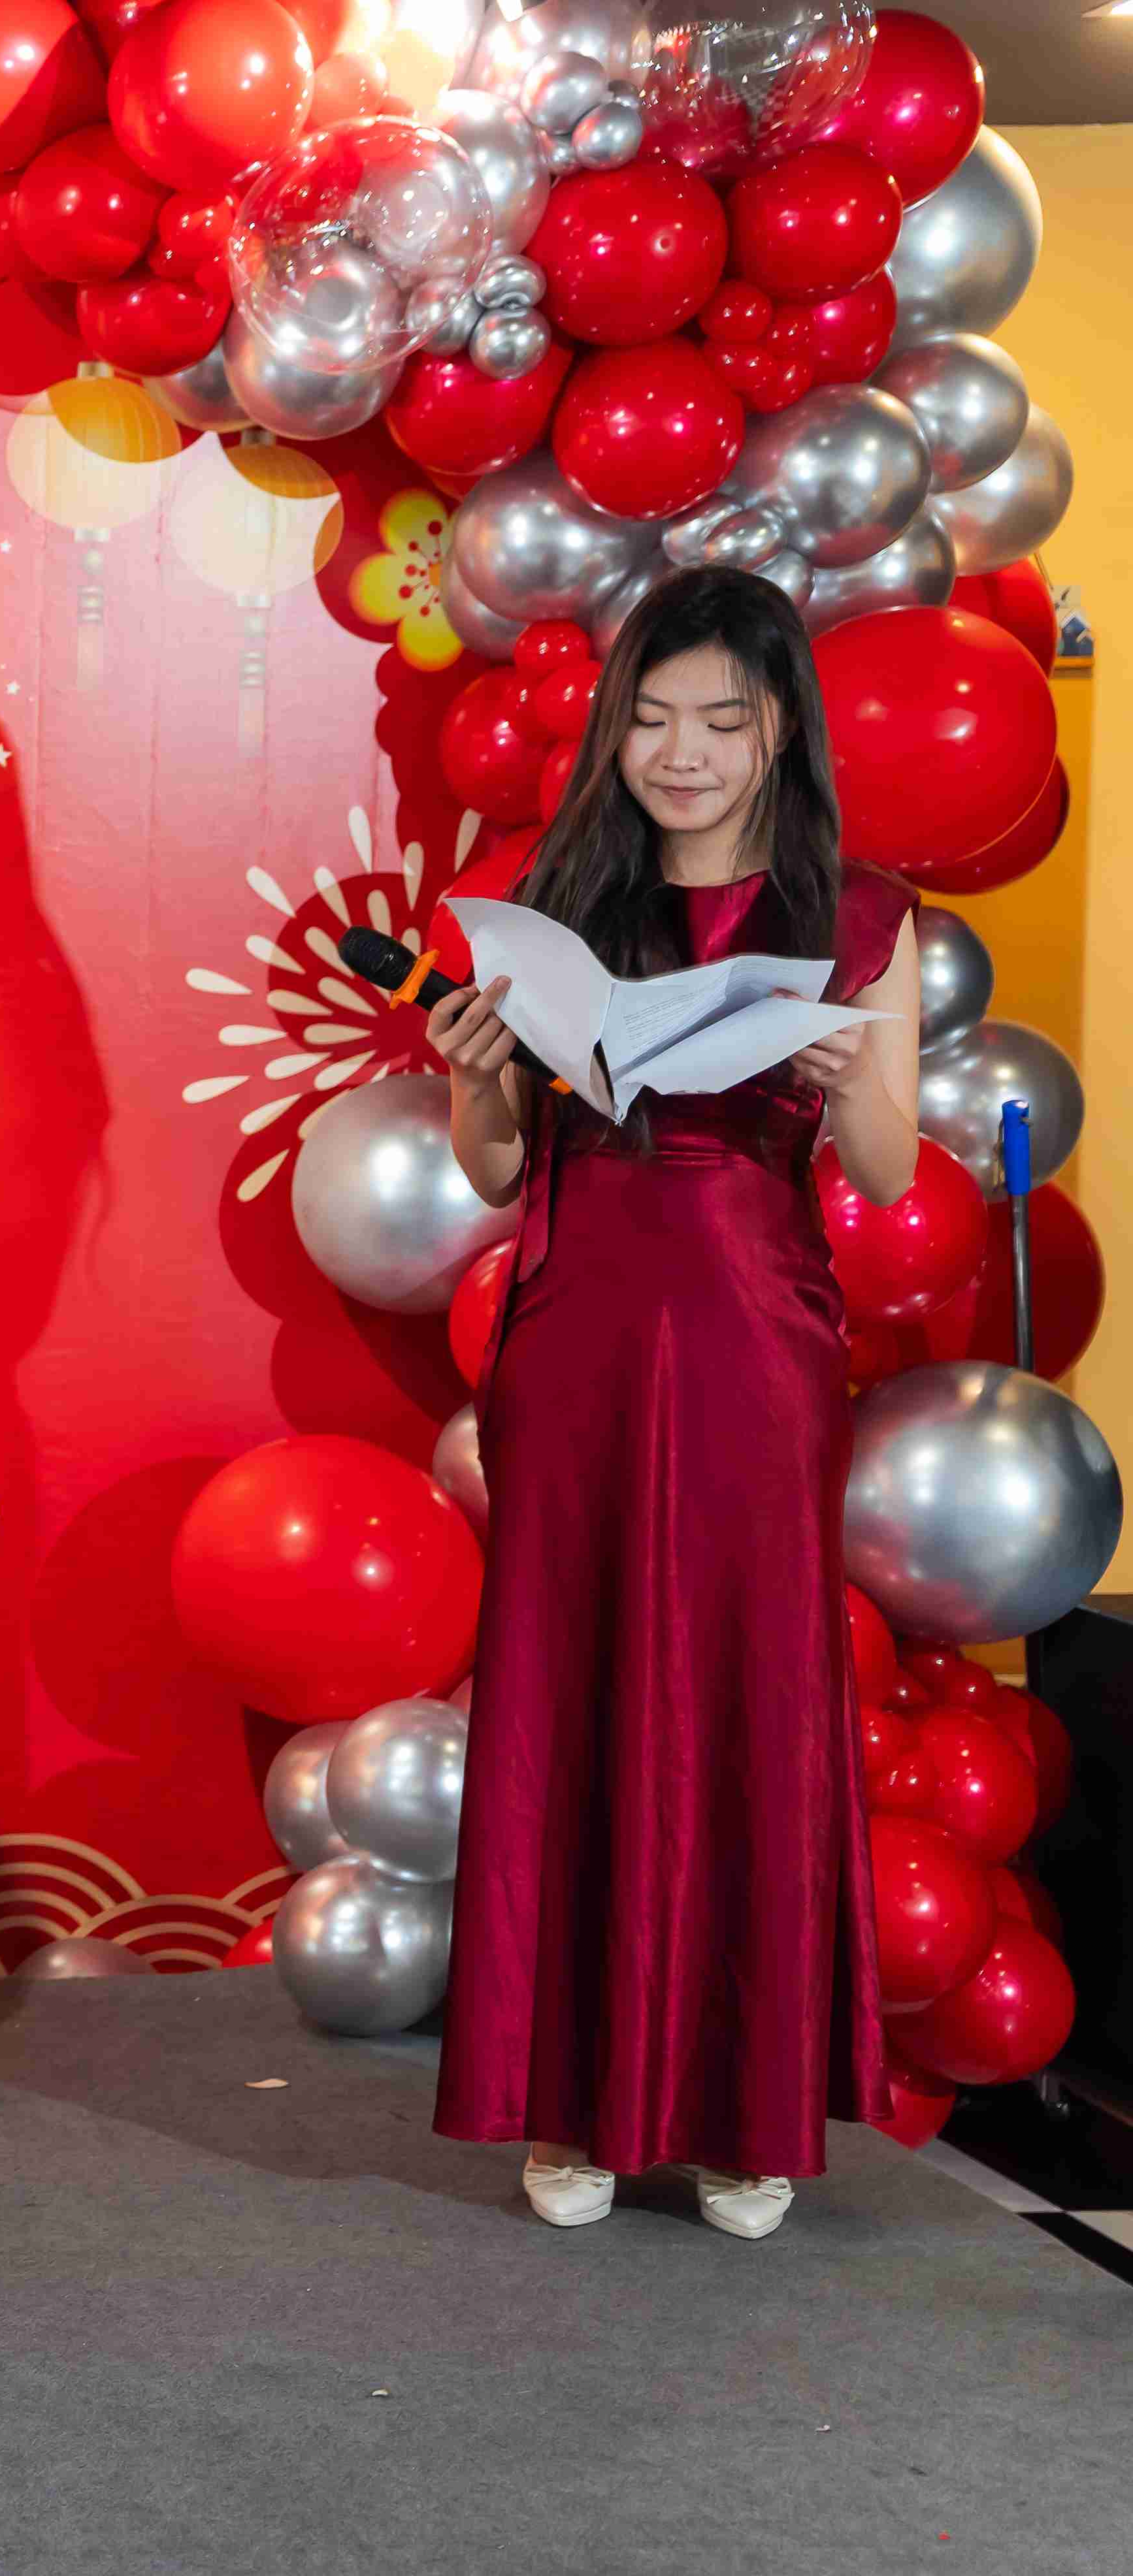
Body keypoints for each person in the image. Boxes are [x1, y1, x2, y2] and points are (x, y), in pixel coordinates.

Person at [422, 566, 921, 2242]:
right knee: (568, 1688)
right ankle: (570, 2102)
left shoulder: (861, 916)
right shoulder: (554, 903)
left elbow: (885, 1168)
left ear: (782, 729)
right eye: (649, 719)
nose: (682, 753)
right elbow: (498, 1168)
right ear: (612, 732)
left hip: (759, 1344)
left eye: (721, 719)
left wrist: (845, 1073)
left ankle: (742, 2112)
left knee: (748, 1691)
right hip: (575, 1334)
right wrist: (474, 1079)